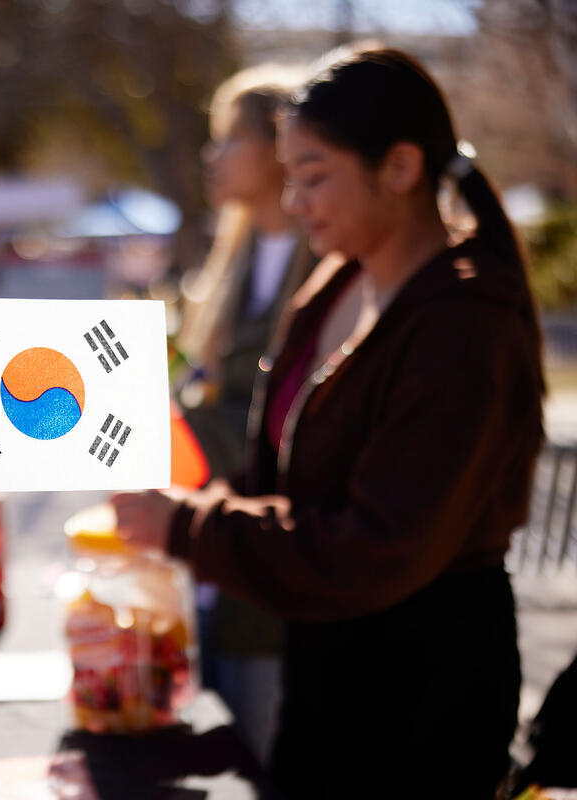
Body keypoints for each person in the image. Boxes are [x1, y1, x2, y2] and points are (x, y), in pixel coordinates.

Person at [113, 48, 543, 798]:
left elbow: (371, 547)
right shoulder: (339, 278)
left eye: (314, 176)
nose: (295, 199)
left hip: (419, 688)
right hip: (327, 662)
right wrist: (193, 513)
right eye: (289, 177)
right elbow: (285, 469)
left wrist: (189, 530)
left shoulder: (462, 323)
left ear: (401, 168)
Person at [174, 64, 315, 762]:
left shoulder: (322, 255)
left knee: (269, 751)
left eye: (229, 138)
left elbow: (282, 420)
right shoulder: (238, 254)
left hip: (279, 566)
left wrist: (180, 426)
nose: (213, 156)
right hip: (217, 549)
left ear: (279, 146)